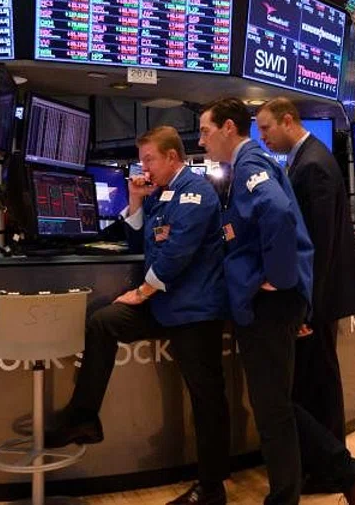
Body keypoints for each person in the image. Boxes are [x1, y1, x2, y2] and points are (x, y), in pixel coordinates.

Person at [199, 98, 355, 505]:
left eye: (206, 131)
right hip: (273, 305)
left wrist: (280, 280)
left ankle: (325, 480)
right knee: (277, 405)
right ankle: (341, 473)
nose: (202, 141)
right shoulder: (256, 163)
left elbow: (278, 214)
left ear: (228, 128)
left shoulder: (250, 164)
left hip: (269, 307)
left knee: (274, 409)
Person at [45, 127, 231, 505]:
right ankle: (84, 417)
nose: (143, 168)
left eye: (149, 160)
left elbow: (176, 254)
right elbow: (139, 243)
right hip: (165, 306)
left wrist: (142, 291)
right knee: (103, 322)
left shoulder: (195, 192)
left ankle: (212, 489)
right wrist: (134, 201)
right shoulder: (162, 194)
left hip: (195, 312)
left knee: (206, 398)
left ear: (172, 157)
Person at [255, 98, 355, 444]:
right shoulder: (306, 158)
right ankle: (327, 458)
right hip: (319, 295)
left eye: (266, 128)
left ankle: (333, 461)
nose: (262, 137)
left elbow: (319, 244)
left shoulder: (312, 164)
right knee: (317, 379)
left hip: (320, 296)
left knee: (320, 381)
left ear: (288, 121)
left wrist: (306, 307)